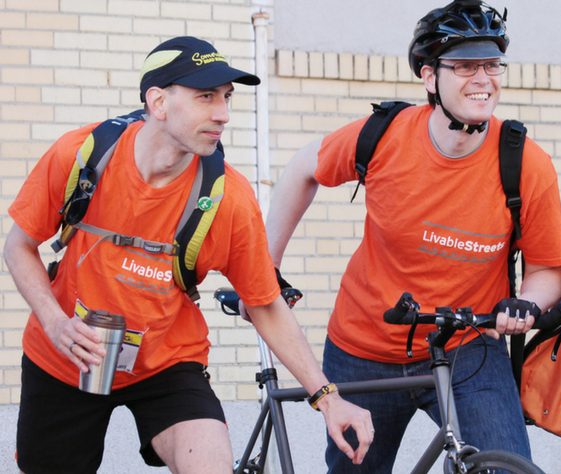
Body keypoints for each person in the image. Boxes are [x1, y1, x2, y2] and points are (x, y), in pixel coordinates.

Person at [6, 36, 373, 474]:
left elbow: (264, 302)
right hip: (65, 355)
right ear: (158, 102)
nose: (223, 114)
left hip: (166, 362)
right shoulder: (81, 156)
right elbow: (18, 246)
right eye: (206, 97)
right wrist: (54, 323)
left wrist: (327, 398)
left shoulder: (228, 198)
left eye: (227, 97)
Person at [263, 1, 561, 472]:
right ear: (429, 76)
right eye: (465, 66)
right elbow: (304, 168)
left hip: (468, 345)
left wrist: (526, 303)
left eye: (492, 65)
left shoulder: (526, 163)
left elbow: (548, 269)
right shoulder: (385, 136)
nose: (483, 78)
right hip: (363, 347)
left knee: (505, 467)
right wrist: (266, 266)